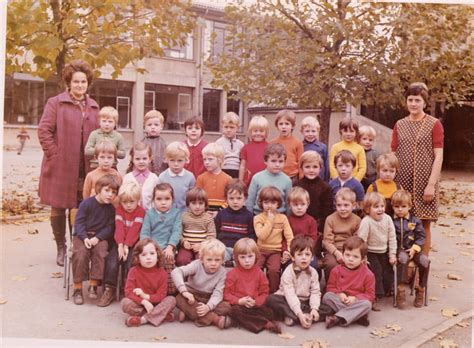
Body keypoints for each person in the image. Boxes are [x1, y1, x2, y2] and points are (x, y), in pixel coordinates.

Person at [38, 59, 99, 267]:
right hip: (60, 165)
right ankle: (60, 247)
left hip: (85, 166)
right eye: (76, 81)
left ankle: (76, 245)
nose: (80, 85)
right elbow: (44, 131)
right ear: (69, 82)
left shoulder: (93, 106)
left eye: (83, 82)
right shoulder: (56, 103)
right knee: (58, 207)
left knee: (80, 208)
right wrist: (54, 155)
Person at [391, 82, 444, 255]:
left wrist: (431, 184)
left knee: (423, 224)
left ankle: (422, 266)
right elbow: (393, 154)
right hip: (402, 182)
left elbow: (439, 156)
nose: (413, 103)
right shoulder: (399, 124)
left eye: (417, 100)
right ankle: (404, 266)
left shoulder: (434, 124)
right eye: (410, 100)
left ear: (424, 102)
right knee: (401, 223)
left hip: (425, 182)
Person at [71, 174, 120, 305]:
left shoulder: (111, 209)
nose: (110, 195)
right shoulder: (86, 203)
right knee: (80, 254)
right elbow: (79, 222)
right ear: (98, 189)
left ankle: (94, 284)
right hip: (83, 235)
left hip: (99, 237)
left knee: (101, 252)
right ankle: (77, 288)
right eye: (107, 190)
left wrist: (98, 238)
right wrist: (85, 237)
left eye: (113, 192)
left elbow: (110, 227)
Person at [98, 182, 145, 307]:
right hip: (119, 242)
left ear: (138, 201)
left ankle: (130, 288)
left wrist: (126, 246)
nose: (128, 205)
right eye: (125, 202)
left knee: (132, 262)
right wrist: (120, 245)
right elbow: (118, 228)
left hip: (133, 244)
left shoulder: (141, 212)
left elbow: (135, 230)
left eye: (132, 202)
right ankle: (110, 288)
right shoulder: (119, 210)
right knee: (112, 260)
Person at [223, 238, 282, 334]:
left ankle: (246, 321)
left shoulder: (259, 273)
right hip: (239, 305)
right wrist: (239, 301)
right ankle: (264, 323)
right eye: (242, 257)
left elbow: (264, 292)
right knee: (234, 311)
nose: (247, 261)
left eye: (250, 256)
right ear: (236, 258)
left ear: (256, 256)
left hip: (255, 305)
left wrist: (256, 302)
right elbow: (226, 294)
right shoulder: (232, 274)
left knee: (270, 312)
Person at [171, 239, 231, 329]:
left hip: (208, 297)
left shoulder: (223, 272)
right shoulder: (196, 265)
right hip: (192, 295)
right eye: (209, 260)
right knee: (179, 299)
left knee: (227, 307)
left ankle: (189, 314)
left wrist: (208, 307)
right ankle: (215, 319)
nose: (213, 263)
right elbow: (176, 271)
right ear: (202, 259)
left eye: (217, 260)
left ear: (222, 260)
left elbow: (218, 293)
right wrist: (184, 292)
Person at [266, 236, 321, 329]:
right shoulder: (288, 272)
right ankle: (299, 316)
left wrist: (314, 308)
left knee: (326, 306)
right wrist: (299, 313)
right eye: (299, 254)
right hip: (287, 299)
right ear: (292, 257)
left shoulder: (313, 272)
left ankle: (306, 315)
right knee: (271, 299)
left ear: (312, 258)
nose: (304, 258)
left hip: (305, 301)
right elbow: (289, 294)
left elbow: (315, 292)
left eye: (307, 254)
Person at [121, 238, 176, 327]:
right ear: (137, 258)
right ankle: (161, 315)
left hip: (157, 303)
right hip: (140, 304)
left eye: (152, 253)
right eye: (144, 255)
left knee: (171, 300)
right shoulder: (133, 271)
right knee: (125, 302)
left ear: (157, 255)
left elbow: (161, 295)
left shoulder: (162, 273)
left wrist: (145, 296)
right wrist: (144, 301)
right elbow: (128, 292)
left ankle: (143, 319)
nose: (149, 257)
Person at [322, 236, 375, 329]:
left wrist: (355, 298)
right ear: (342, 254)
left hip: (356, 302)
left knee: (367, 305)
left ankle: (337, 317)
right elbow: (330, 288)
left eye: (355, 256)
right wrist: (339, 294)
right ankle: (357, 316)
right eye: (347, 255)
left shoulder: (368, 274)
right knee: (327, 297)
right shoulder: (336, 270)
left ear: (363, 259)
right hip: (340, 300)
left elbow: (370, 295)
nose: (350, 259)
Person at [357, 192, 397, 311]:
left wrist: (392, 254)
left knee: (388, 270)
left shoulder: (388, 219)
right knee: (376, 272)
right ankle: (373, 296)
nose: (380, 209)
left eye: (382, 206)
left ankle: (387, 290)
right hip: (371, 252)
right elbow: (362, 241)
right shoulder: (366, 221)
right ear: (368, 209)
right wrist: (363, 257)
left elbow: (392, 237)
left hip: (384, 251)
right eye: (376, 207)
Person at [140, 183, 182, 295]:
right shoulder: (149, 214)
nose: (163, 202)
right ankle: (148, 289)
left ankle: (169, 291)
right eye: (159, 199)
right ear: (153, 200)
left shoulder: (176, 213)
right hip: (151, 246)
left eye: (167, 199)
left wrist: (170, 246)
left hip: (168, 246)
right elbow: (145, 232)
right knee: (146, 260)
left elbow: (176, 232)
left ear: (172, 200)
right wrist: (149, 247)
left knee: (167, 259)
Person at [391, 190, 429, 308]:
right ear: (392, 207)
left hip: (414, 249)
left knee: (424, 261)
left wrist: (414, 248)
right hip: (399, 249)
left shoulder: (415, 221)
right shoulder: (390, 221)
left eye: (403, 206)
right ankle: (401, 291)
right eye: (397, 207)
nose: (400, 209)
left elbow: (421, 237)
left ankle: (421, 289)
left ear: (409, 206)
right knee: (402, 258)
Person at [254, 186, 294, 293]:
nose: (269, 206)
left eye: (273, 203)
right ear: (261, 203)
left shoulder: (282, 218)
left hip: (275, 251)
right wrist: (270, 220)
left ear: (278, 204)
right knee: (256, 269)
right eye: (266, 202)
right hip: (260, 250)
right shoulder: (258, 218)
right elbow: (261, 236)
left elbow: (289, 236)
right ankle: (257, 290)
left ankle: (274, 292)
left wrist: (289, 251)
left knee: (274, 270)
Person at [322, 188, 361, 280]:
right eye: (339, 205)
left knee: (355, 263)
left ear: (354, 205)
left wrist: (348, 254)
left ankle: (351, 287)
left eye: (346, 205)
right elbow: (327, 241)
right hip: (333, 250)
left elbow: (357, 240)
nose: (342, 209)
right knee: (331, 264)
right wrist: (336, 253)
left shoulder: (357, 220)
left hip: (351, 250)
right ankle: (330, 288)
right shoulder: (330, 219)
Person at [215, 180, 255, 262]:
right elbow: (216, 233)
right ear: (226, 199)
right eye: (231, 198)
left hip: (241, 250)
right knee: (218, 260)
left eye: (239, 198)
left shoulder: (249, 216)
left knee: (242, 263)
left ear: (245, 199)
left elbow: (251, 237)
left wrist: (245, 248)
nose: (235, 201)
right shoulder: (221, 214)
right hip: (223, 248)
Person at [246, 144, 292, 215]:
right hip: (259, 216)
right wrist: (249, 219)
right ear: (265, 161)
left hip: (279, 218)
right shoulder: (257, 178)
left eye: (280, 161)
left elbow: (288, 204)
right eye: (273, 161)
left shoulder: (287, 180)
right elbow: (250, 201)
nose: (277, 164)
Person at [294, 151, 332, 235]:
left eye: (315, 167)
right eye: (307, 167)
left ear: (320, 168)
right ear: (301, 167)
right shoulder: (296, 185)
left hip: (317, 225)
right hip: (298, 223)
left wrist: (320, 228)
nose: (311, 170)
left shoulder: (325, 187)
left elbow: (327, 212)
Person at [177, 188, 216, 266]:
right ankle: (185, 276)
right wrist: (183, 242)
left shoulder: (208, 218)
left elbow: (212, 235)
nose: (197, 206)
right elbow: (178, 232)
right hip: (186, 247)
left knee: (201, 261)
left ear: (205, 204)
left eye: (201, 203)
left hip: (202, 248)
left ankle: (198, 277)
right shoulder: (183, 216)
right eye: (194, 203)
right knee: (182, 260)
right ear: (188, 204)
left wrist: (202, 245)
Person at [157, 141, 196, 212]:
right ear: (166, 160)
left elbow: (192, 198)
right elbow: (158, 197)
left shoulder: (190, 177)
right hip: (167, 214)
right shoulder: (162, 177)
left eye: (180, 160)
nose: (176, 164)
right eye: (172, 160)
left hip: (185, 213)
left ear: (186, 160)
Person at [196, 143, 232, 215]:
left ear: (219, 160)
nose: (206, 162)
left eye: (210, 159)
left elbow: (230, 198)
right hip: (204, 214)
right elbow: (198, 197)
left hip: (222, 214)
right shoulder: (201, 178)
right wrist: (204, 210)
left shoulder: (228, 179)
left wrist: (219, 211)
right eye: (204, 159)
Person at [285, 187, 318, 265]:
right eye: (295, 205)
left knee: (313, 264)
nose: (299, 208)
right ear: (289, 205)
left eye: (302, 204)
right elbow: (284, 238)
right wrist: (285, 250)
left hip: (307, 251)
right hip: (292, 251)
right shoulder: (287, 220)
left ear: (307, 204)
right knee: (287, 265)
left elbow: (313, 239)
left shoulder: (311, 221)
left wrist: (306, 251)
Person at [122, 142, 159, 210]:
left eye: (144, 158)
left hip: (149, 216)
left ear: (150, 159)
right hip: (132, 216)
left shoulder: (154, 178)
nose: (141, 161)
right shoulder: (127, 178)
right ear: (132, 159)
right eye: (137, 159)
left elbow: (156, 199)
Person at [270, 109, 304, 181]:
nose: (284, 127)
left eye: (287, 124)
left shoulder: (298, 143)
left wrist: (302, 179)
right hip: (276, 176)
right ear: (277, 126)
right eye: (281, 124)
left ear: (293, 126)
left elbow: (301, 163)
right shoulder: (272, 143)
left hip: (293, 177)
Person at [329, 117, 366, 181]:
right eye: (345, 131)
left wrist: (355, 181)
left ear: (356, 132)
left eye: (351, 131)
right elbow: (332, 165)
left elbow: (362, 168)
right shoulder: (335, 147)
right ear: (341, 131)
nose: (348, 134)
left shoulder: (359, 148)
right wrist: (337, 180)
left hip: (353, 182)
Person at [239, 115, 269, 186]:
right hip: (249, 180)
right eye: (255, 131)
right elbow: (242, 165)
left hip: (265, 179)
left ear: (266, 132)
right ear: (250, 132)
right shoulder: (246, 147)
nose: (258, 133)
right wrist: (240, 181)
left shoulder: (269, 147)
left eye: (261, 131)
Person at [216, 112, 244, 178]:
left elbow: (242, 161)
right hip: (223, 170)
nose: (228, 130)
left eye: (232, 127)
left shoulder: (241, 144)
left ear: (237, 128)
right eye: (226, 127)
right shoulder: (218, 143)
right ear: (222, 127)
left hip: (237, 171)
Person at [300, 116, 329, 181]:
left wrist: (326, 180)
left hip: (320, 179)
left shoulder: (322, 147)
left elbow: (326, 165)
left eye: (313, 131)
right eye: (307, 131)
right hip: (304, 179)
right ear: (302, 132)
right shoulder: (300, 146)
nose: (310, 134)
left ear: (318, 131)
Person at [142, 110, 168, 175]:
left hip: (160, 173)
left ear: (161, 126)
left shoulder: (163, 144)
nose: (153, 127)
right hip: (145, 173)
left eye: (156, 125)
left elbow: (166, 160)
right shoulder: (142, 143)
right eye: (149, 125)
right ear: (145, 126)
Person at [358, 125, 379, 191]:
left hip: (371, 179)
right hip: (359, 178)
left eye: (370, 140)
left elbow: (379, 167)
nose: (367, 142)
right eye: (364, 139)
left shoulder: (375, 154)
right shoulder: (357, 152)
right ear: (358, 139)